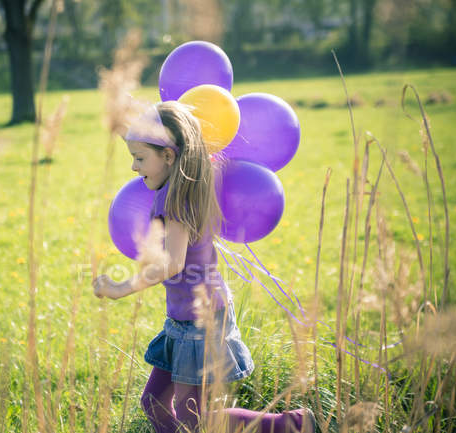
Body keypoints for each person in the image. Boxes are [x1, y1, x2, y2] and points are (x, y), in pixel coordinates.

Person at [93, 101, 315, 433]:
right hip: (184, 321)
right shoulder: (186, 183)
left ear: (168, 157)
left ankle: (293, 425)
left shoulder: (175, 200)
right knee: (153, 404)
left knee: (197, 420)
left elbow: (173, 263)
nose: (134, 168)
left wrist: (121, 288)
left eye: (140, 158)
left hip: (200, 324)